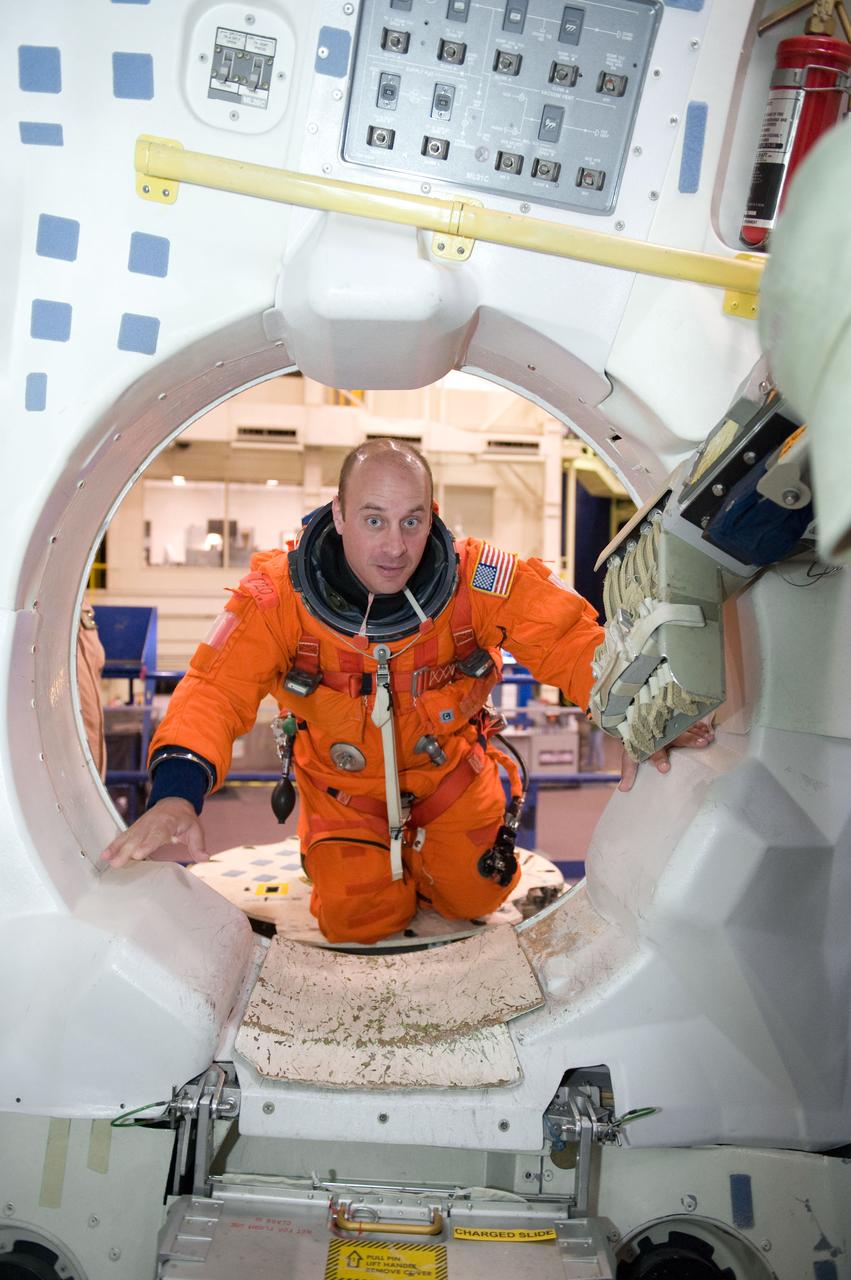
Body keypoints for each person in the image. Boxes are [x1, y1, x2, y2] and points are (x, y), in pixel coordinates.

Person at [102, 441, 712, 941]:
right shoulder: (278, 598)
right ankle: (342, 856)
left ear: (432, 515)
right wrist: (178, 793)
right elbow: (214, 688)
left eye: (411, 521)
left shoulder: (478, 581)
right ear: (338, 515)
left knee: (475, 898)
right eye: (373, 520)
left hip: (451, 776)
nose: (395, 546)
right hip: (347, 792)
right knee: (358, 924)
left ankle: (433, 862)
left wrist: (642, 713)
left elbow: (571, 643)